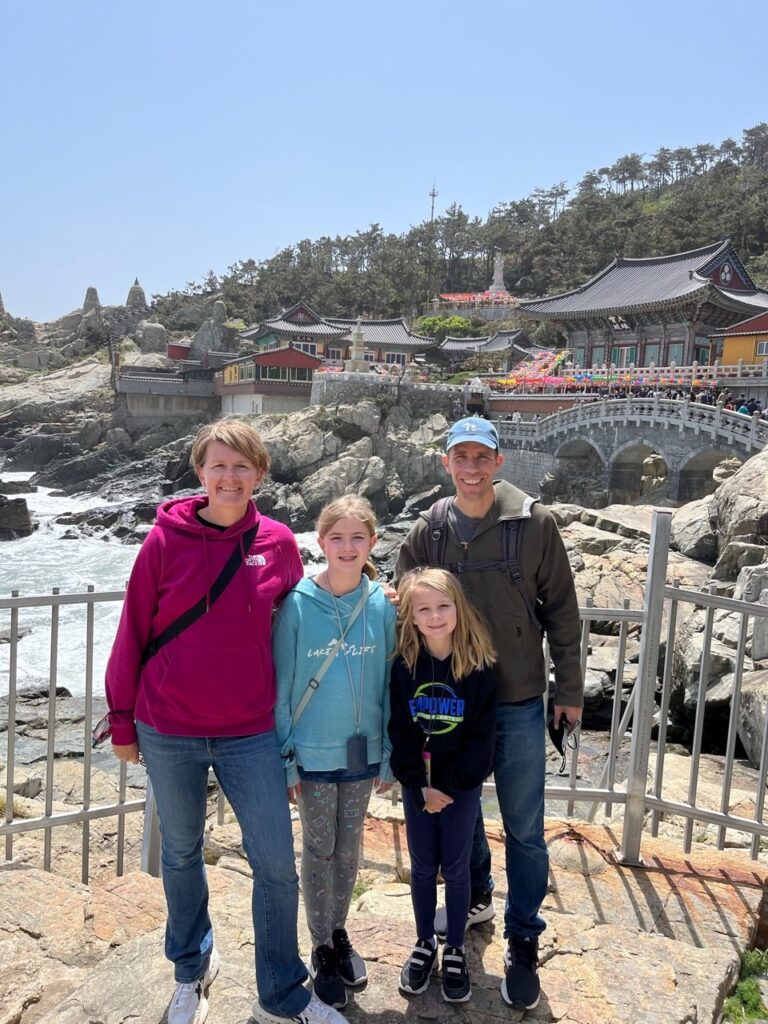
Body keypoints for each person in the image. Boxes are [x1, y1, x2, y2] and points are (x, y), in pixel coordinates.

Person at [105, 417, 346, 1024]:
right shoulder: (164, 540)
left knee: (273, 861)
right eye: (219, 465)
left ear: (259, 475)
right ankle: (192, 969)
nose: (229, 477)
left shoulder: (278, 542)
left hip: (249, 730)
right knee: (181, 853)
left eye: (242, 466)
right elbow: (132, 630)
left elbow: (304, 616)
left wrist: (367, 594)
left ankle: (283, 991)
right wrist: (122, 720)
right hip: (168, 726)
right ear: (200, 472)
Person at [395, 416, 584, 1011]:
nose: (471, 467)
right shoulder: (431, 527)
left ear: (498, 461)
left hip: (520, 698)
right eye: (460, 457)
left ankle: (523, 937)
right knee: (460, 800)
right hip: (451, 702)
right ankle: (475, 891)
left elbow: (563, 613)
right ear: (446, 463)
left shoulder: (534, 524)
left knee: (525, 827)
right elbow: (400, 591)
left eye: (481, 457)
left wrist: (569, 691)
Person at [273, 496, 396, 1012]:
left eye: (357, 538)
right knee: (318, 850)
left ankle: (339, 932)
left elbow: (392, 681)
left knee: (349, 852)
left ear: (373, 543)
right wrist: (286, 760)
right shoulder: (298, 604)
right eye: (337, 538)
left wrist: (388, 752)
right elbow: (280, 688)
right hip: (314, 755)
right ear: (320, 543)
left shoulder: (382, 603)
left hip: (363, 753)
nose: (347, 548)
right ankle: (320, 945)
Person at [389, 568, 497, 1004]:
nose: (434, 616)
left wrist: (446, 788)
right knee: (420, 866)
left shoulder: (480, 668)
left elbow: (481, 741)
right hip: (419, 789)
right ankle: (423, 942)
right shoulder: (403, 667)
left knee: (455, 868)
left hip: (459, 788)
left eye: (443, 606)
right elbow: (400, 731)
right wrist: (419, 786)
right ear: (411, 617)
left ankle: (454, 947)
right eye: (424, 609)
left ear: (459, 609)